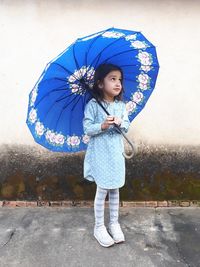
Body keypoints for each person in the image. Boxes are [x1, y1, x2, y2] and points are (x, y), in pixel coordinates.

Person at [83, 63, 130, 247]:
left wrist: (120, 122)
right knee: (102, 189)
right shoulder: (93, 105)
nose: (118, 83)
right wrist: (102, 125)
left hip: (116, 153)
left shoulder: (121, 106)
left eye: (119, 79)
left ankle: (114, 223)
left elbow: (126, 125)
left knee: (115, 188)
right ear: (100, 84)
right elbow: (87, 128)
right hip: (101, 153)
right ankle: (99, 226)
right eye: (112, 79)